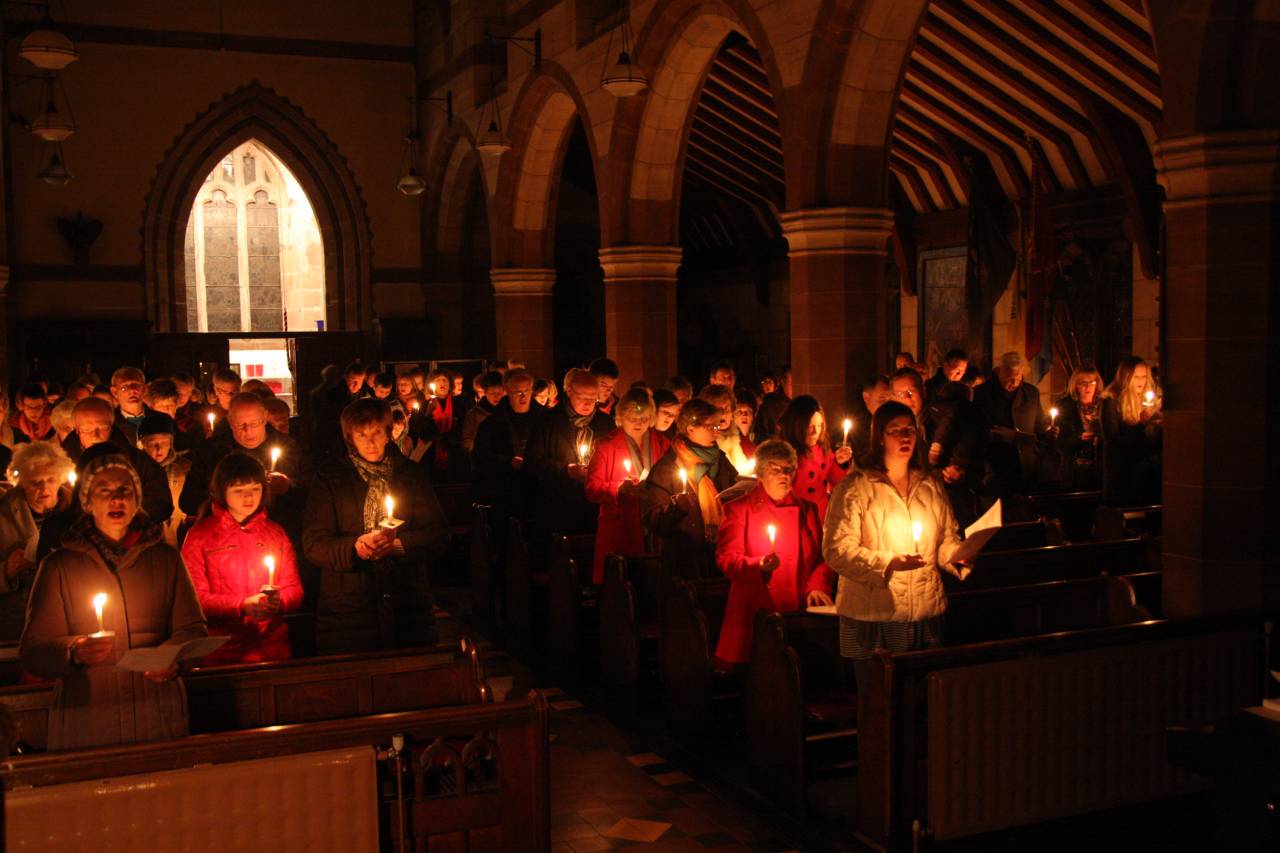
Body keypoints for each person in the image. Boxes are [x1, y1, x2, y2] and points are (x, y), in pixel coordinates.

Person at [20, 453, 209, 750]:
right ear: (87, 502)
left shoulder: (165, 560)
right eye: (104, 491)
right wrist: (74, 650)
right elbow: (34, 650)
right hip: (89, 718)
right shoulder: (60, 566)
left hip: (156, 712)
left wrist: (174, 658)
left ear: (137, 498)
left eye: (124, 490)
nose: (116, 499)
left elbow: (193, 629)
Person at [823, 401, 970, 713]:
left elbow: (945, 538)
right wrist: (888, 562)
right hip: (875, 613)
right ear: (880, 436)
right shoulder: (856, 487)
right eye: (896, 431)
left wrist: (957, 557)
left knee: (920, 707)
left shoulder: (929, 484)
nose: (905, 437)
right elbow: (836, 550)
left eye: (910, 431)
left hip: (924, 611)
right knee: (879, 707)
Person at [303, 398, 450, 653]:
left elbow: (438, 534)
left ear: (389, 432)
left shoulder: (410, 475)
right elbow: (314, 543)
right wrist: (355, 548)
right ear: (350, 437)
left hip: (407, 605)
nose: (370, 443)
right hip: (348, 611)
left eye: (377, 433)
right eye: (362, 435)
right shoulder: (330, 479)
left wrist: (397, 545)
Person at [714, 439, 835, 666]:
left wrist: (818, 586)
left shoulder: (807, 509)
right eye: (775, 470)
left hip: (798, 611)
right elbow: (726, 559)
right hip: (756, 609)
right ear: (760, 474)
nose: (784, 475)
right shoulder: (739, 509)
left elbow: (823, 557)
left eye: (788, 469)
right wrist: (759, 565)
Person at [182, 454, 304, 664]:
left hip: (271, 650)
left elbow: (294, 588)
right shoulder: (200, 536)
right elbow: (194, 598)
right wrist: (242, 605)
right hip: (221, 654)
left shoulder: (275, 534)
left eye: (255, 489)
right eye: (238, 490)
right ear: (221, 492)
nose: (249, 497)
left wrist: (278, 602)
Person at [180, 393, 309, 533]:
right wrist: (225, 497)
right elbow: (188, 501)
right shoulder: (211, 451)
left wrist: (288, 486)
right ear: (230, 421)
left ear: (264, 417)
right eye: (240, 425)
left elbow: (309, 492)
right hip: (224, 534)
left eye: (254, 423)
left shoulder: (290, 448)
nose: (248, 430)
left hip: (276, 530)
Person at [640, 399, 739, 578]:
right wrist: (676, 509)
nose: (716, 432)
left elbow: (734, 492)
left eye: (717, 426)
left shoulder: (721, 461)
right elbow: (653, 521)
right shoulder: (667, 468)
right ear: (691, 429)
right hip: (684, 560)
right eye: (710, 427)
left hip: (721, 554)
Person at [584, 389, 671, 584]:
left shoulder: (662, 444)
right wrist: (619, 488)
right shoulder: (606, 446)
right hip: (619, 527)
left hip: (654, 526)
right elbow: (591, 488)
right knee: (618, 586)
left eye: (644, 418)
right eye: (633, 418)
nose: (639, 423)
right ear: (621, 417)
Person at [525, 368, 616, 539]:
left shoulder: (606, 423)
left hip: (595, 509)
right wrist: (565, 470)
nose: (588, 403)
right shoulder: (548, 421)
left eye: (593, 398)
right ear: (569, 392)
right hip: (558, 506)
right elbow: (532, 462)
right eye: (582, 397)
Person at [0, 442, 76, 640]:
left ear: (61, 478)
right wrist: (7, 571)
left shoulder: (77, 512)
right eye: (35, 482)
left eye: (51, 480)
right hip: (18, 620)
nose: (44, 488)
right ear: (22, 483)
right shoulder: (4, 514)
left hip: (70, 615)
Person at [64, 396, 174, 524]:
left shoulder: (138, 462)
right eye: (87, 429)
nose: (95, 435)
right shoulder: (61, 462)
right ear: (77, 430)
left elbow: (160, 504)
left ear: (111, 426)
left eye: (102, 427)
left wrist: (125, 514)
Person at [972, 352, 1055, 494]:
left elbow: (1040, 426)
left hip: (1026, 468)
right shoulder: (981, 394)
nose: (1014, 383)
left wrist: (1049, 432)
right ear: (999, 371)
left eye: (1018, 378)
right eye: (1009, 378)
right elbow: (976, 431)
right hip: (996, 468)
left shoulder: (1031, 393)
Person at [472, 369, 543, 525]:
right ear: (508, 392)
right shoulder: (491, 424)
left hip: (538, 491)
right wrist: (507, 462)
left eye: (527, 391)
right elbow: (481, 457)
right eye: (518, 392)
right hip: (505, 491)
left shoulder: (545, 421)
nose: (523, 396)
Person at [777, 395, 853, 523]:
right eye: (809, 426)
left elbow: (837, 483)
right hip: (794, 516)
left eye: (819, 425)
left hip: (820, 515)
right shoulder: (784, 453)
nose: (815, 432)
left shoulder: (823, 449)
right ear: (796, 426)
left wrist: (840, 464)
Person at [1100, 356, 1163, 506]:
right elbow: (1114, 442)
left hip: (1149, 474)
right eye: (1136, 377)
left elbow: (1154, 443)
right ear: (1125, 378)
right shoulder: (1112, 402)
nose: (1141, 381)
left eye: (1144, 376)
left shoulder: (1150, 401)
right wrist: (1141, 423)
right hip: (1124, 475)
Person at [137, 413, 190, 546]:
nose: (159, 448)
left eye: (164, 442)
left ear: (171, 443)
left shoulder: (186, 468)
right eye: (153, 443)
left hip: (179, 535)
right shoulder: (135, 470)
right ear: (142, 444)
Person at [1054, 366, 1104, 491]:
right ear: (1075, 384)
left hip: (1101, 467)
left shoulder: (1104, 405)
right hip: (1075, 468)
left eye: (1092, 382)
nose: (1088, 387)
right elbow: (1061, 444)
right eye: (1083, 383)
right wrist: (1079, 438)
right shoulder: (1065, 406)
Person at [700, 384, 753, 475]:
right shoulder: (704, 445)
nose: (723, 414)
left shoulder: (738, 440)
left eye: (727, 409)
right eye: (718, 409)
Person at [461, 370, 505, 453]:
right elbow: (467, 440)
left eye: (499, 393)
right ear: (485, 392)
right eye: (492, 393)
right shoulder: (474, 414)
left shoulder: (508, 411)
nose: (496, 396)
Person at [754, 365, 792, 440]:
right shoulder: (769, 406)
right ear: (783, 382)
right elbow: (760, 435)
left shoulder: (803, 405)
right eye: (792, 383)